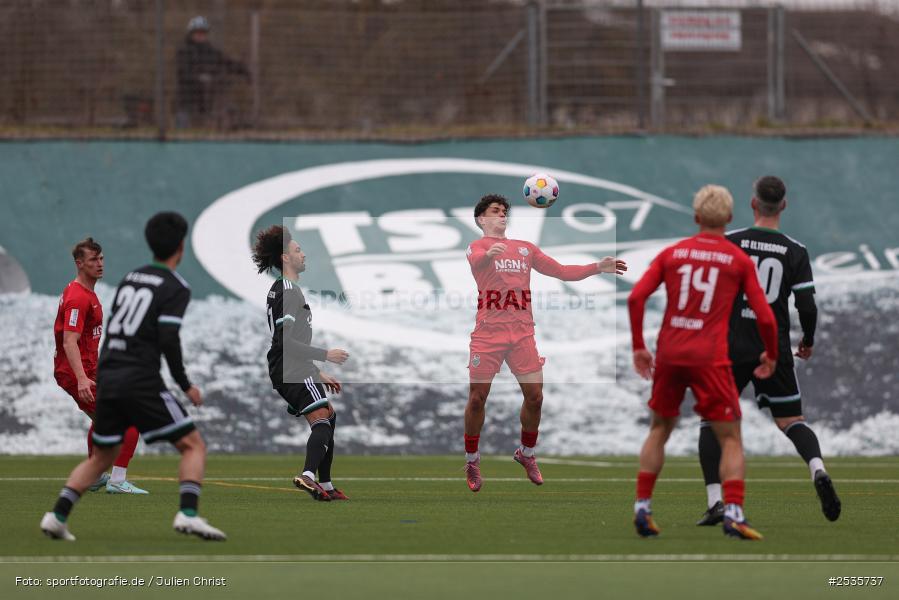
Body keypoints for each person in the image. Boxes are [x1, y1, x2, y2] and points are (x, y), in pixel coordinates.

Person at [41, 212, 226, 541]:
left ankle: (57, 517)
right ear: (181, 247)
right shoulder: (175, 287)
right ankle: (188, 514)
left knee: (101, 457)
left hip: (109, 371)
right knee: (193, 445)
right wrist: (184, 384)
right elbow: (169, 339)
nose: (100, 264)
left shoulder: (131, 278)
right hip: (137, 377)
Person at [627, 184, 779, 540]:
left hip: (671, 353)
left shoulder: (672, 253)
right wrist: (771, 354)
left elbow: (636, 298)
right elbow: (766, 318)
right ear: (729, 218)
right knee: (730, 436)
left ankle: (643, 507)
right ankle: (734, 513)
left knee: (659, 429)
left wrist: (639, 347)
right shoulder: (737, 260)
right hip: (710, 357)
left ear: (696, 217)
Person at [695, 176, 841, 526]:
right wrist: (808, 339)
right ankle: (818, 469)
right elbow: (807, 304)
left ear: (753, 203)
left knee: (711, 420)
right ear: (783, 206)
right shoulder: (795, 250)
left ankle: (715, 502)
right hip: (772, 346)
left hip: (730, 345)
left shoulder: (731, 242)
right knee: (791, 421)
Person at [463, 194, 627, 492]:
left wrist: (597, 267)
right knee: (477, 399)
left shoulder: (525, 248)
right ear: (481, 219)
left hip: (522, 334)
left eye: (504, 211)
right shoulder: (478, 246)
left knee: (535, 397)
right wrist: (488, 255)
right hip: (488, 334)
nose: (502, 214)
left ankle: (526, 453)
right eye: (495, 211)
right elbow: (475, 261)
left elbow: (561, 271)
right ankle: (472, 460)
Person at [252, 225, 350, 501]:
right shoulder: (288, 292)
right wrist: (325, 355)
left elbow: (289, 340)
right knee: (322, 421)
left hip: (293, 367)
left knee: (328, 415)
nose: (303, 254)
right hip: (291, 368)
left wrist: (318, 372)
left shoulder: (284, 289)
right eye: (297, 250)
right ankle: (307, 475)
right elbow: (284, 342)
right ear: (285, 257)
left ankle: (326, 484)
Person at [53, 238, 147, 494]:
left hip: (89, 370)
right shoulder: (77, 297)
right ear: (79, 263)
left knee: (103, 419)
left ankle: (94, 476)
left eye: (101, 258)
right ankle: (117, 480)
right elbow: (69, 341)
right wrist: (82, 378)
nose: (100, 264)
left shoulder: (86, 293)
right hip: (77, 372)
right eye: (93, 259)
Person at [175, 16, 250, 129]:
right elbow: (183, 73)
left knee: (208, 126)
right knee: (184, 128)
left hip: (206, 99)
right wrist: (200, 78)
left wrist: (243, 70)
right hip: (187, 98)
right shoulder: (184, 51)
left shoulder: (210, 50)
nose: (200, 35)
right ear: (191, 34)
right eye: (197, 32)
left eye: (203, 33)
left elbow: (226, 62)